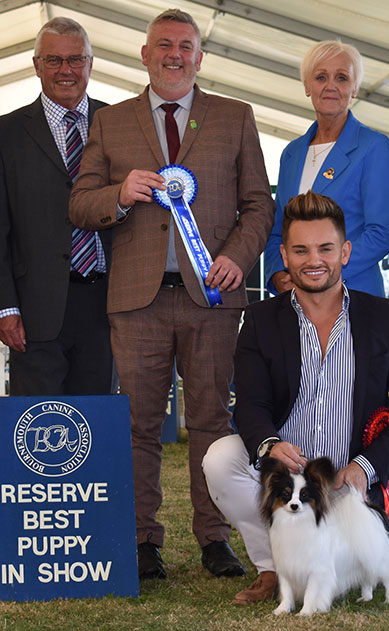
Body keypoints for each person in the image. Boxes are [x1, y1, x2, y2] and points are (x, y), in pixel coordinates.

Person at [69, 9, 274, 581]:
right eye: (164, 44)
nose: (175, 54)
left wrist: (235, 256)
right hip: (137, 300)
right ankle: (141, 542)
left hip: (211, 296)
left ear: (200, 56)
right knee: (138, 424)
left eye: (186, 45)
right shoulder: (111, 122)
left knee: (212, 420)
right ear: (144, 53)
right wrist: (119, 191)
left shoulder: (235, 116)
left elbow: (259, 203)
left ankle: (214, 538)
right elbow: (80, 204)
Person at [203, 190, 389, 604]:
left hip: (347, 481)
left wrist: (365, 467)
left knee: (351, 543)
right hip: (286, 479)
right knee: (219, 458)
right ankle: (274, 566)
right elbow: (250, 404)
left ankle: (329, 562)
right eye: (301, 250)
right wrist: (270, 444)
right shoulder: (258, 321)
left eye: (326, 248)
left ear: (344, 251)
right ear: (285, 256)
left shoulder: (385, 318)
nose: (314, 260)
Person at [0, 17, 113, 395]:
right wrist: (5, 308)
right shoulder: (6, 134)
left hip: (107, 304)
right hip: (34, 311)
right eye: (53, 60)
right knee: (37, 434)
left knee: (97, 430)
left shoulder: (120, 124)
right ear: (36, 66)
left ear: (91, 64)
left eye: (76, 59)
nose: (66, 70)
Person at [264, 40, 389, 298]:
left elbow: (381, 233)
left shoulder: (374, 147)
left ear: (355, 88)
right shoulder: (291, 154)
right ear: (307, 86)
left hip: (354, 294)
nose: (330, 86)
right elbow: (277, 230)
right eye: (320, 77)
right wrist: (277, 274)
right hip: (296, 299)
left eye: (341, 78)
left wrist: (319, 274)